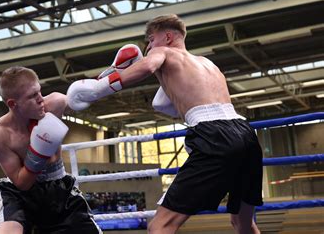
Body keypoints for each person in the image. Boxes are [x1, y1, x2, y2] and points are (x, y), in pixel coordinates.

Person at [66, 14, 263, 234]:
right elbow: (163, 102)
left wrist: (98, 88)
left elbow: (147, 67)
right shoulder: (208, 64)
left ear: (167, 37)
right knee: (243, 223)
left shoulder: (162, 52)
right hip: (246, 134)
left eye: (151, 39)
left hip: (215, 136)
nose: (148, 46)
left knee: (160, 226)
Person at [0, 66, 102, 234]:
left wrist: (110, 80)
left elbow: (86, 94)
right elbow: (22, 183)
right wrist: (39, 153)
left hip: (60, 191)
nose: (41, 99)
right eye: (33, 96)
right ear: (13, 103)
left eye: (39, 91)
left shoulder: (53, 104)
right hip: (21, 195)